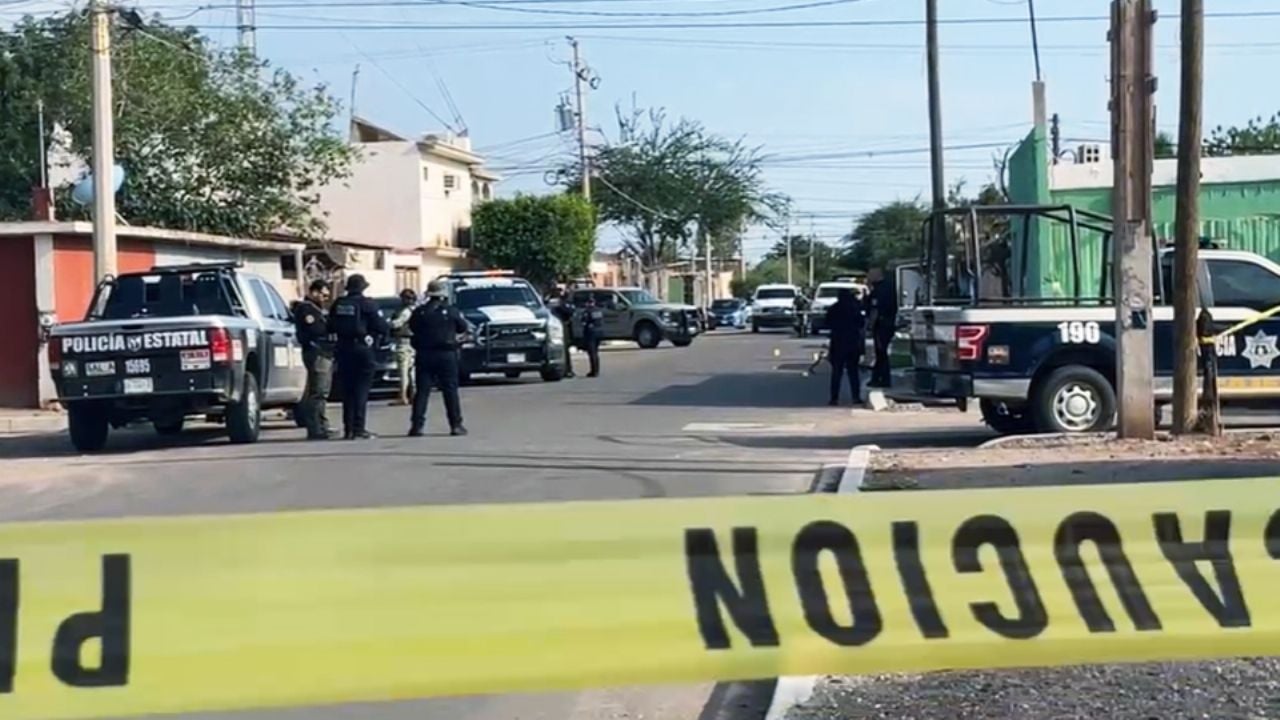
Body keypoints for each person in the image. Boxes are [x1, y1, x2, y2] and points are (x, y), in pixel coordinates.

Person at [328, 274, 388, 440]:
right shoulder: (368, 304)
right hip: (362, 349)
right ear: (362, 288)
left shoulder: (338, 304)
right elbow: (381, 326)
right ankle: (359, 428)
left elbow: (330, 326)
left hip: (343, 349)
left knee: (347, 391)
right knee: (361, 390)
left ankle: (348, 429)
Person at [408, 279, 469, 437]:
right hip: (446, 354)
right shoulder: (450, 311)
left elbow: (412, 328)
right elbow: (462, 327)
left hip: (424, 354)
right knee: (450, 391)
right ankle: (455, 424)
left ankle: (417, 425)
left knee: (422, 391)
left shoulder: (419, 312)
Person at [294, 279, 334, 440]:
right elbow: (316, 329)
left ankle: (322, 423)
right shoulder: (307, 309)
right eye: (323, 295)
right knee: (318, 391)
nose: (325, 298)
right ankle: (315, 426)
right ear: (314, 292)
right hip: (316, 352)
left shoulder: (317, 309)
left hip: (323, 352)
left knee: (323, 391)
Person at [826, 288, 865, 406]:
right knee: (853, 372)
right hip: (853, 342)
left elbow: (827, 323)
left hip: (838, 342)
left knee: (837, 372)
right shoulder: (855, 307)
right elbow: (861, 323)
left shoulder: (834, 308)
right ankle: (856, 397)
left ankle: (834, 398)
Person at [867, 267, 898, 388]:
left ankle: (883, 379)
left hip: (882, 325)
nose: (868, 276)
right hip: (888, 323)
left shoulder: (880, 290)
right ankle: (878, 378)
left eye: (870, 274)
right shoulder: (889, 286)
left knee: (881, 352)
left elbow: (875, 309)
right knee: (881, 353)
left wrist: (870, 326)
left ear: (877, 274)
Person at [390, 289, 417, 405]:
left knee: (403, 370)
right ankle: (413, 394)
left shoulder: (405, 311)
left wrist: (387, 324)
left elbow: (398, 323)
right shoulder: (416, 310)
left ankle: (403, 396)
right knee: (412, 371)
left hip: (403, 341)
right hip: (413, 341)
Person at [551, 291, 577, 378]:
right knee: (564, 351)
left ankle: (567, 370)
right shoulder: (559, 306)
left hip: (562, 328)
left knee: (564, 351)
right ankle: (566, 370)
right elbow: (569, 312)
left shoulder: (557, 305)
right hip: (561, 328)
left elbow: (571, 312)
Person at [579, 293, 603, 378]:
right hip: (599, 332)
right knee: (596, 353)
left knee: (592, 353)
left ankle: (593, 371)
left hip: (591, 333)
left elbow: (583, 322)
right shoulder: (598, 310)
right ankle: (597, 370)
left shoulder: (587, 311)